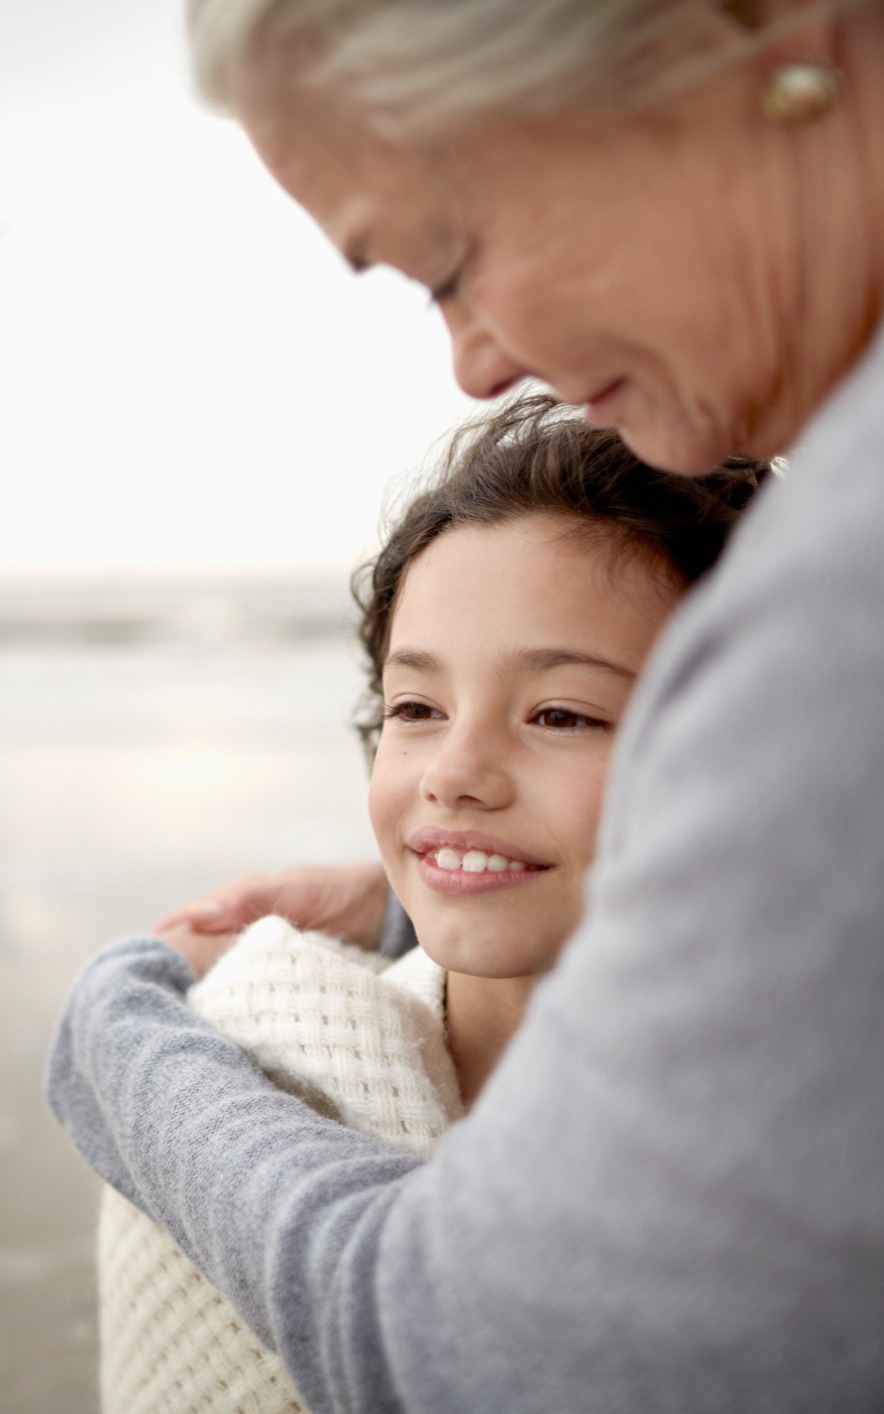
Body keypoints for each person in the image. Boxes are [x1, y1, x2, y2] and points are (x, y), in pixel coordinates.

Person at [48, 2, 884, 1410]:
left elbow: (476, 1351)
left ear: (751, 29)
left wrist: (118, 1032)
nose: (473, 357)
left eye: (450, 257)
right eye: (410, 706)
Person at [95, 393, 767, 1414]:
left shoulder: (839, 1147)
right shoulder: (265, 1052)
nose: (453, 773)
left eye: (561, 713)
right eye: (416, 707)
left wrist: (110, 1012)